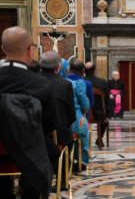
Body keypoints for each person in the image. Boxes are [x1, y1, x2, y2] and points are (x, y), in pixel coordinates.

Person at [0, 26, 60, 199]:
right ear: (31, 50)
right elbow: (51, 123)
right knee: (53, 152)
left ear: (3, 49)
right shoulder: (41, 84)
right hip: (31, 151)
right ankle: (30, 191)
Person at [40, 51, 76, 189]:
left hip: (34, 130)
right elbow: (71, 113)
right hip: (58, 130)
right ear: (58, 67)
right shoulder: (65, 84)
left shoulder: (33, 80)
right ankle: (61, 180)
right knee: (69, 141)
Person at [66, 71, 91, 168]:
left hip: (49, 122)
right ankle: (82, 160)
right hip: (73, 121)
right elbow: (85, 105)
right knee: (83, 129)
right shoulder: (76, 84)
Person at [84, 62, 109, 147]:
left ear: (84, 71)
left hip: (83, 113)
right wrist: (108, 113)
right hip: (99, 114)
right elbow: (107, 100)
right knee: (104, 118)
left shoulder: (80, 82)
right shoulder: (102, 82)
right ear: (95, 71)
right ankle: (99, 138)